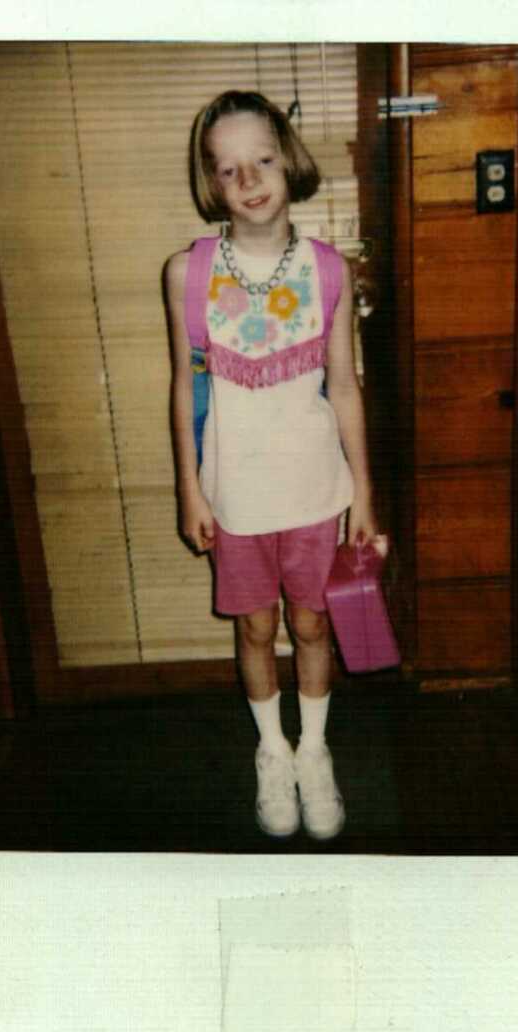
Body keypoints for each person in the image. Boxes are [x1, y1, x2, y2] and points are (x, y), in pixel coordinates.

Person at [164, 90, 377, 840]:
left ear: (287, 159)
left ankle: (314, 750)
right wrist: (191, 487)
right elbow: (185, 383)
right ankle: (272, 749)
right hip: (237, 498)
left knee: (313, 623)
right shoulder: (187, 272)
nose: (248, 179)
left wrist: (365, 498)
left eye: (260, 159)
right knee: (255, 628)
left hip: (317, 490)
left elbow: (346, 385)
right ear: (211, 184)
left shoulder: (327, 270)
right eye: (228, 170)